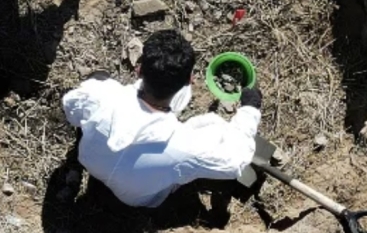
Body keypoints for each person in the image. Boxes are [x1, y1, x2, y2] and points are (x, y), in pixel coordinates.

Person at [61, 29, 261, 207]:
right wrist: (250, 110)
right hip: (137, 199)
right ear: (190, 80)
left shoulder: (100, 95)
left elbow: (70, 107)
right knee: (215, 127)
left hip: (92, 164)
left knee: (99, 76)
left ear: (139, 69)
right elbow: (236, 162)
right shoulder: (184, 147)